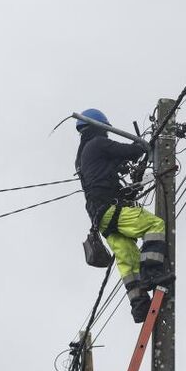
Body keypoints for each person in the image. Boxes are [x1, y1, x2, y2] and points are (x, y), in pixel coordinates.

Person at [75, 108, 172, 323]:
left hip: (100, 219)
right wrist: (144, 146)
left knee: (127, 260)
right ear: (100, 127)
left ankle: (139, 305)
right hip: (110, 210)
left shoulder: (83, 157)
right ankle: (152, 274)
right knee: (154, 225)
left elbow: (109, 172)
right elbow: (131, 151)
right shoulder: (98, 144)